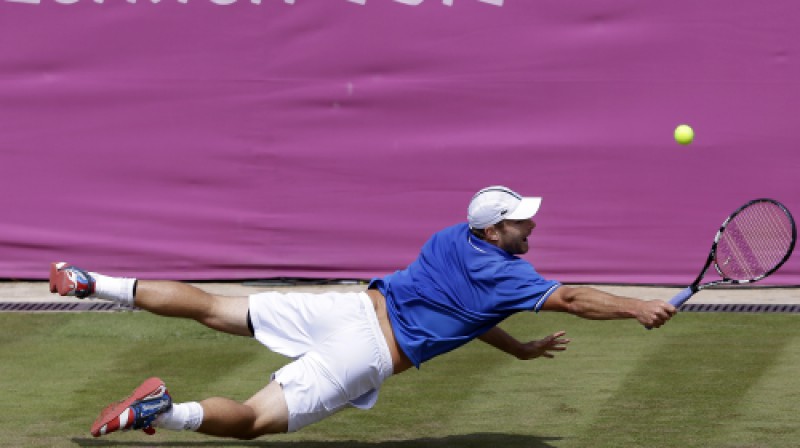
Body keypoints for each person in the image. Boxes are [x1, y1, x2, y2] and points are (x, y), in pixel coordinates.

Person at [49, 185, 676, 440]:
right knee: (253, 423)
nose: (531, 224)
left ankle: (90, 281)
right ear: (493, 231)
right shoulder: (506, 271)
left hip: (347, 308)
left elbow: (470, 313)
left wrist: (516, 349)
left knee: (214, 306)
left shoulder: (450, 239)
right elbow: (569, 298)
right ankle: (168, 409)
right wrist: (638, 307)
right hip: (369, 351)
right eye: (520, 221)